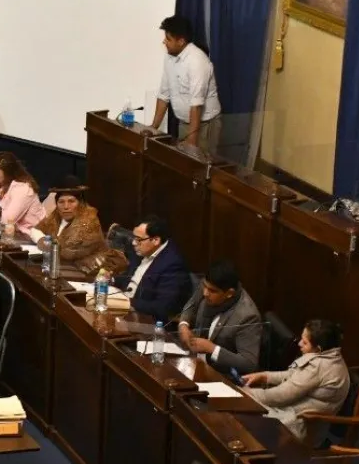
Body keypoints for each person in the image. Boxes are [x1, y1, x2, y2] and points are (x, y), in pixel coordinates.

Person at [242, 320, 350, 443]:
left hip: (302, 424)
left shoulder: (319, 366)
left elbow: (282, 396)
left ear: (318, 349)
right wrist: (265, 376)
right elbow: (294, 375)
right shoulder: (329, 356)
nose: (299, 343)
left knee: (242, 420)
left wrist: (245, 393)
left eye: (305, 342)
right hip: (292, 411)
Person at [144, 16, 221, 150]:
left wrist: (191, 142)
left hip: (205, 125)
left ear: (181, 41)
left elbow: (196, 105)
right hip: (185, 122)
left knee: (199, 166)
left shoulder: (197, 61)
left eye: (168, 38)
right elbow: (163, 96)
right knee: (183, 164)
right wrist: (153, 129)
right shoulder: (169, 57)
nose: (164, 42)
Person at [28, 177, 128, 277]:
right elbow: (35, 230)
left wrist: (44, 242)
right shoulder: (57, 215)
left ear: (80, 203)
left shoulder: (89, 220)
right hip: (66, 267)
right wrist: (45, 241)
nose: (66, 206)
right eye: (61, 202)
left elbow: (66, 252)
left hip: (91, 272)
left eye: (71, 201)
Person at [178, 259, 263, 375]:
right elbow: (191, 305)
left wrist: (212, 348)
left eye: (212, 291)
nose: (205, 293)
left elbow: (249, 364)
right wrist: (184, 325)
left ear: (229, 293)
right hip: (193, 363)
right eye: (205, 286)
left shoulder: (248, 316)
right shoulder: (208, 286)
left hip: (221, 375)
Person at [114, 215, 192, 322]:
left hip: (146, 320)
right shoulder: (142, 249)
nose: (133, 243)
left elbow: (162, 307)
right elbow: (130, 278)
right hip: (124, 309)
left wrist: (127, 301)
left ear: (155, 240)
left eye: (138, 239)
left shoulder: (173, 265)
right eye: (134, 238)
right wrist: (112, 279)